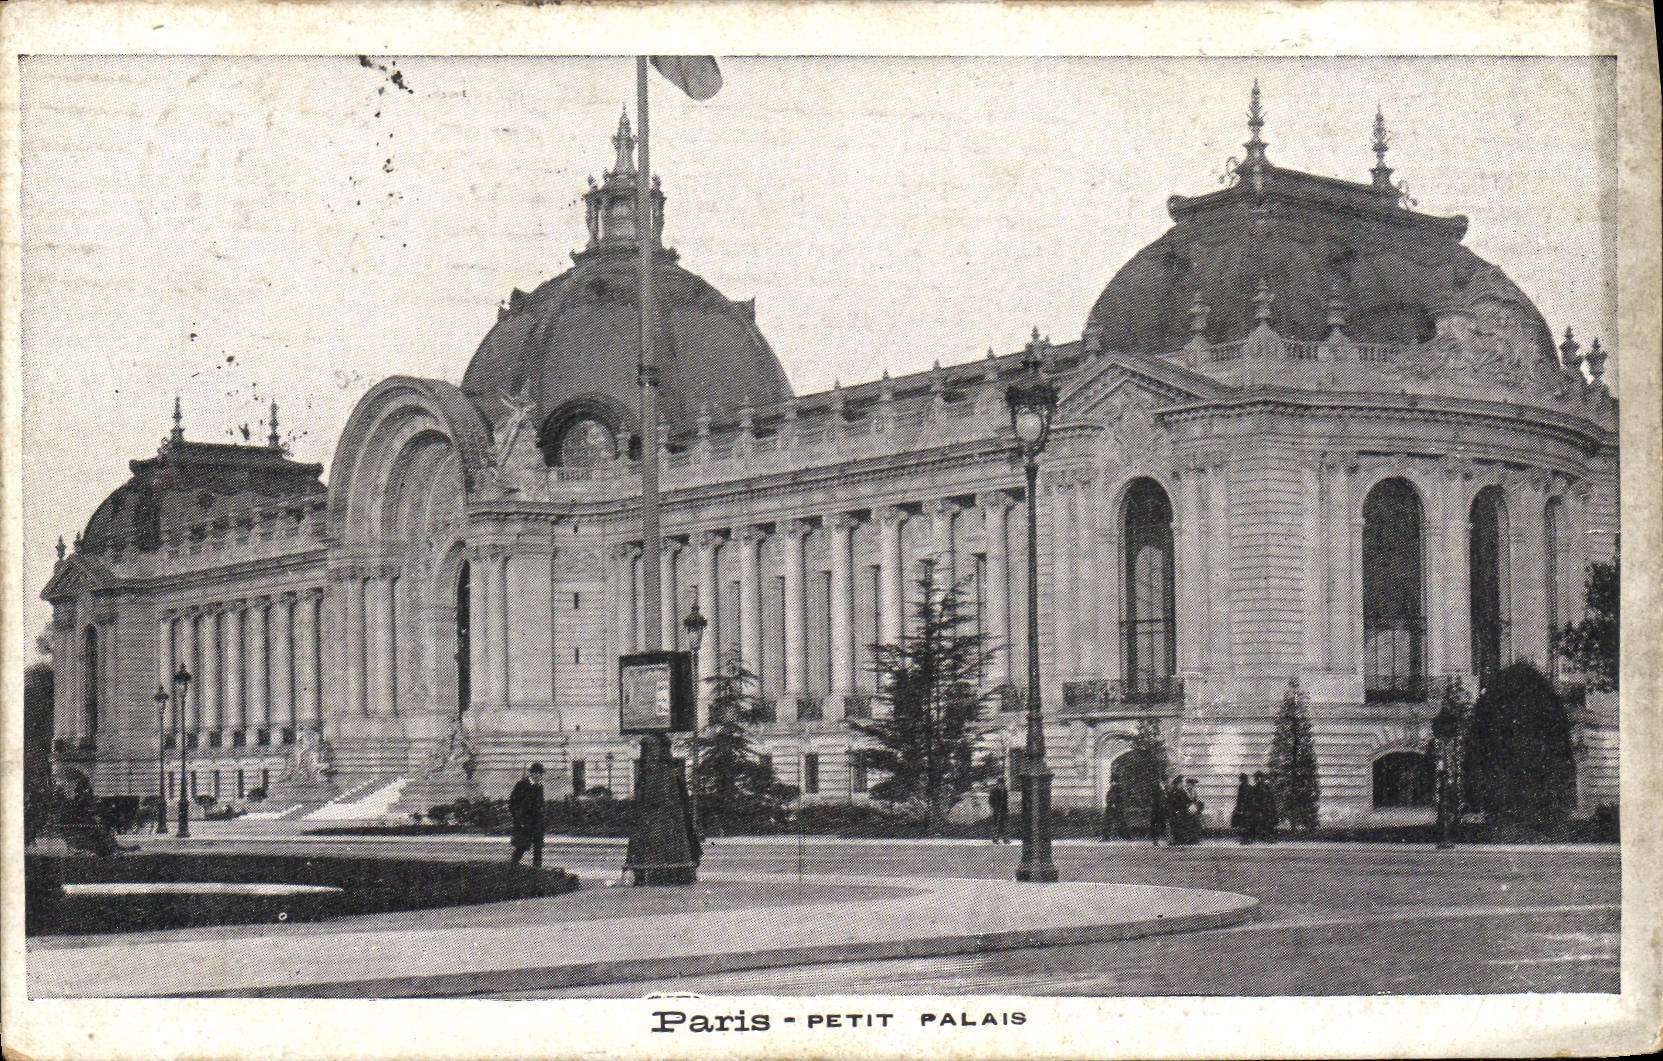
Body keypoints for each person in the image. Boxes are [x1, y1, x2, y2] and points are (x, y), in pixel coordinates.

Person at [509, 762, 547, 867]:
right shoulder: (521, 785)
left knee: (538, 849)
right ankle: (511, 869)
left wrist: (542, 818)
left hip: (537, 823)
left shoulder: (539, 787)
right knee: (521, 847)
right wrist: (519, 820)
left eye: (541, 774)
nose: (539, 776)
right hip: (524, 822)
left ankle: (537, 873)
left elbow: (541, 804)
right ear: (532, 774)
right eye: (538, 774)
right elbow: (512, 804)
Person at [1251, 771, 1278, 843]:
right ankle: (1264, 837)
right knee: (1263, 822)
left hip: (1264, 808)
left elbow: (1270, 798)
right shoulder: (1260, 787)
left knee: (1265, 822)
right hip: (1263, 808)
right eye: (1257, 778)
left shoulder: (1263, 787)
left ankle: (1267, 837)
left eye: (1258, 778)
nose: (1258, 780)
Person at [1231, 772, 1254, 844]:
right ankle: (1246, 839)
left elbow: (1240, 799)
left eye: (1242, 779)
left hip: (1245, 808)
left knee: (1244, 824)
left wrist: (1238, 808)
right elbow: (1240, 799)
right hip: (1246, 808)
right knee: (1245, 824)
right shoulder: (1248, 787)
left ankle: (1246, 839)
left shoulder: (1243, 787)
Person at [987, 776, 1010, 844]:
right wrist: (994, 807)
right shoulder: (994, 790)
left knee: (1004, 825)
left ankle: (1005, 839)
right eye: (1000, 784)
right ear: (998, 783)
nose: (1002, 785)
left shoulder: (1005, 790)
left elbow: (1006, 800)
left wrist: (1006, 808)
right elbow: (990, 800)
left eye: (1003, 784)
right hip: (996, 810)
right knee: (996, 825)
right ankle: (995, 838)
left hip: (1003, 810)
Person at [1184, 778, 1205, 843]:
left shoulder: (1194, 792)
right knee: (1188, 823)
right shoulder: (1185, 792)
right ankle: (1188, 839)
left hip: (1193, 810)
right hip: (1186, 809)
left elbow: (1196, 800)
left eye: (1193, 785)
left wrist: (1196, 805)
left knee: (1196, 823)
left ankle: (1195, 838)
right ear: (1187, 784)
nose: (1192, 786)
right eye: (1190, 784)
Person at [1149, 778, 1168, 846]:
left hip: (1162, 810)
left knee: (1163, 825)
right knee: (1156, 825)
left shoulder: (1166, 790)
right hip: (1156, 811)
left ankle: (1164, 839)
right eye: (1164, 782)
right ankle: (1155, 840)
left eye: (1165, 782)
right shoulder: (1156, 790)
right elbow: (1154, 800)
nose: (1165, 783)